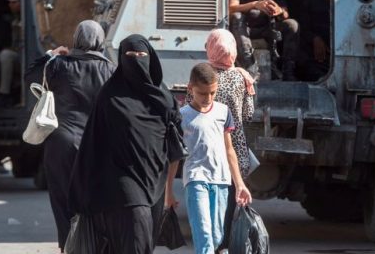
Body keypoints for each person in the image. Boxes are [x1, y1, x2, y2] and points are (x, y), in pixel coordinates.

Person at [68, 35, 179, 254]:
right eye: (130, 56)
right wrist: (82, 190)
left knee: (139, 244)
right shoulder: (109, 97)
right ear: (120, 58)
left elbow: (174, 143)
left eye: (142, 55)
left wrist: (169, 189)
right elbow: (93, 143)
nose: (137, 60)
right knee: (136, 244)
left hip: (153, 184)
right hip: (122, 185)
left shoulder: (163, 97)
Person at [26, 20, 115, 253]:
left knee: (63, 199)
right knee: (95, 200)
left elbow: (30, 76)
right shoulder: (111, 70)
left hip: (61, 142)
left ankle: (68, 246)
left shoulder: (59, 65)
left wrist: (51, 54)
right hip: (97, 145)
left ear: (76, 38)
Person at [168, 63, 252, 254]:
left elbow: (229, 150)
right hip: (196, 179)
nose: (208, 98)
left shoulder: (223, 112)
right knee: (204, 235)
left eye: (213, 93)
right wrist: (169, 191)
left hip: (221, 180)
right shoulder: (182, 116)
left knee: (216, 237)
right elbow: (174, 157)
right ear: (190, 88)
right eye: (202, 93)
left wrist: (239, 184)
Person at [185, 29, 255, 252]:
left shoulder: (202, 76)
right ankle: (222, 247)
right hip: (233, 154)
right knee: (223, 216)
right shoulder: (242, 77)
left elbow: (190, 108)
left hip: (207, 151)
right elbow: (248, 115)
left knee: (211, 225)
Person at [297, 0, 330, 80]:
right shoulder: (308, 0)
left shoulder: (339, 2)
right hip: (312, 52)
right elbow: (303, 28)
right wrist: (314, 38)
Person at [0, 0, 22, 108]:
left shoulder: (29, 18)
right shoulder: (15, 19)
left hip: (29, 59)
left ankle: (4, 95)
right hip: (18, 54)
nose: (10, 5)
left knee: (6, 55)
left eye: (14, 2)